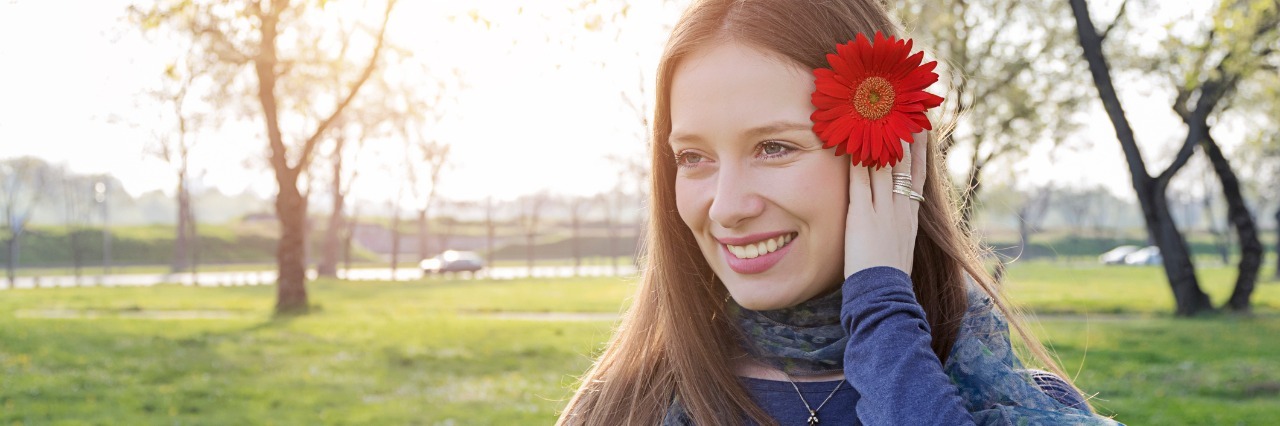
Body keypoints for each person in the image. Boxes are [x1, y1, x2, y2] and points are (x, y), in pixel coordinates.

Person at [559, 0, 1124, 424]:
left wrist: (883, 320)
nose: (727, 207)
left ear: (885, 154)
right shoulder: (619, 406)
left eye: (774, 147)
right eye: (692, 157)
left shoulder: (1023, 406)